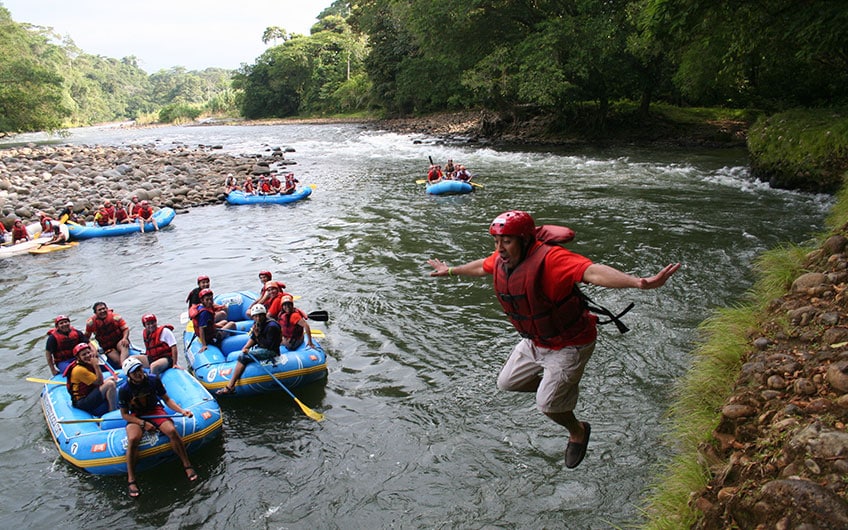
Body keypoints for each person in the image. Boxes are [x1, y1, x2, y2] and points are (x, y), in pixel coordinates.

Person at [427, 210, 680, 469]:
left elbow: (592, 272)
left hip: (570, 343)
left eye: (507, 241)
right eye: (496, 241)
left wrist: (637, 283)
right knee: (507, 382)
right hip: (535, 341)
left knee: (547, 404)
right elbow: (483, 266)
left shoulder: (552, 259)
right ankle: (558, 390)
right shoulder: (504, 259)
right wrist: (450, 271)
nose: (500, 248)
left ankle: (578, 430)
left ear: (525, 240)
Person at [119, 357, 197, 498]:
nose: (138, 373)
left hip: (154, 410)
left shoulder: (153, 380)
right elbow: (125, 415)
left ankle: (187, 464)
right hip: (137, 415)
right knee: (133, 439)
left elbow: (166, 399)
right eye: (134, 372)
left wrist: (181, 411)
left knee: (172, 431)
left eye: (139, 369)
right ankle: (131, 478)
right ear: (128, 375)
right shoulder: (124, 390)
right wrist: (142, 424)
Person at [217, 304, 282, 394]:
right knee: (242, 353)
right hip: (262, 347)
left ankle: (230, 386)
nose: (258, 318)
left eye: (260, 315)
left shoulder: (271, 326)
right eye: (256, 316)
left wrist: (257, 335)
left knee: (243, 356)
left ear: (264, 315)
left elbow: (268, 345)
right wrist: (246, 347)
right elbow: (253, 338)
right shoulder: (257, 324)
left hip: (272, 351)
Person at [65, 342, 117, 415]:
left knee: (112, 379)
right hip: (82, 402)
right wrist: (96, 366)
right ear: (78, 357)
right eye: (84, 355)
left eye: (88, 353)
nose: (87, 356)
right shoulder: (79, 370)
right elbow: (99, 382)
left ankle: (111, 401)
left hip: (89, 393)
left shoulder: (86, 363)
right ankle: (112, 411)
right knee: (110, 384)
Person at [85, 302, 130, 368]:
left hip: (119, 342)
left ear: (107, 309)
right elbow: (86, 337)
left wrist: (125, 338)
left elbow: (125, 329)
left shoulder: (115, 317)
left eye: (104, 309)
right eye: (100, 310)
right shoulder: (91, 323)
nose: (102, 311)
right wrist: (92, 349)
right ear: (95, 312)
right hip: (108, 347)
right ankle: (123, 366)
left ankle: (125, 365)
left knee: (124, 345)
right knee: (117, 361)